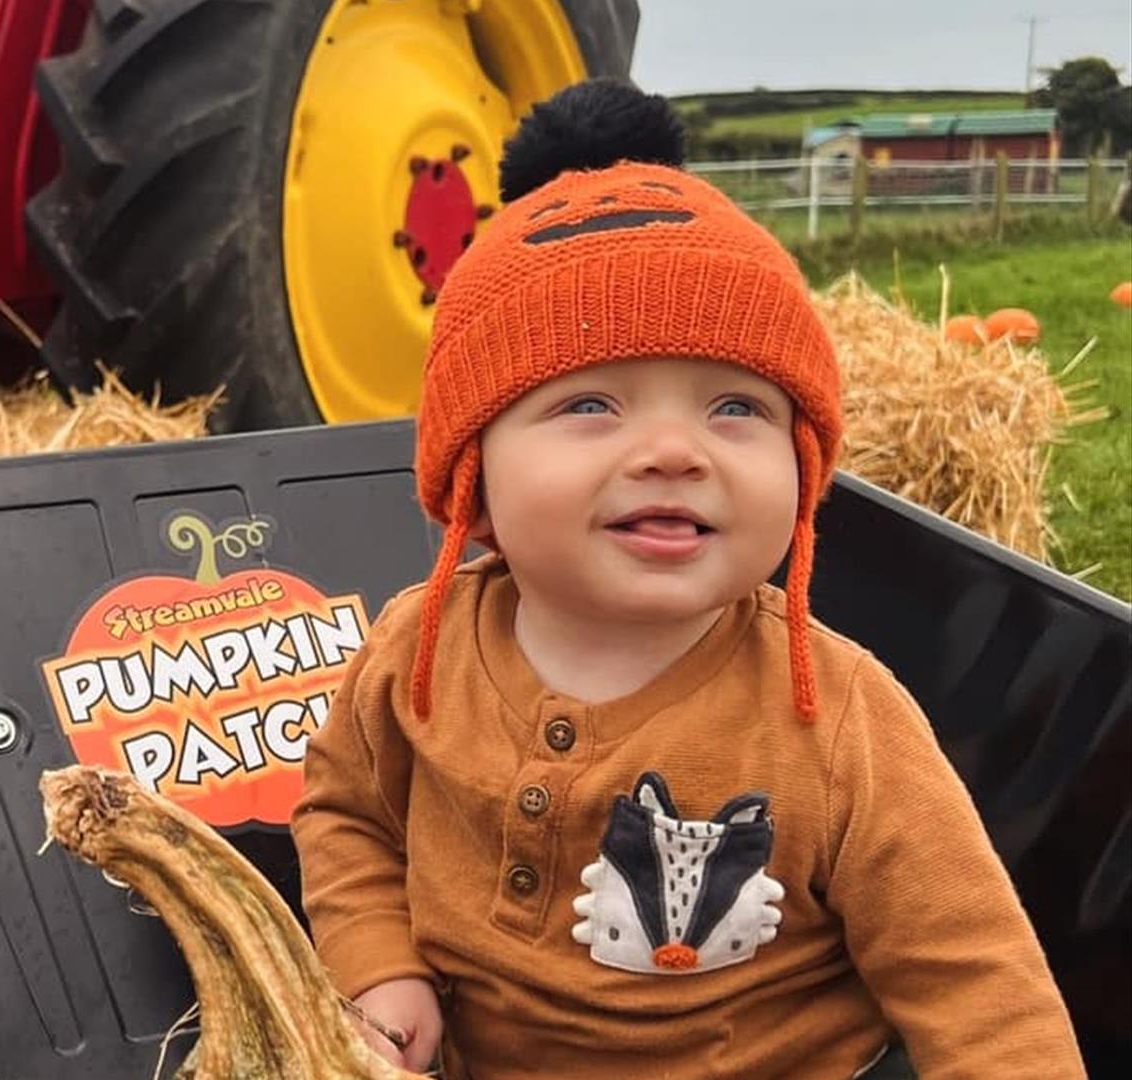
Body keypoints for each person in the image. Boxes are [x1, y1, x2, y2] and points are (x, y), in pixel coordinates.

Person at [291, 80, 1083, 1078]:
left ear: (803, 462)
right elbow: (347, 813)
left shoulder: (836, 722)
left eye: (735, 410)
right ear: (472, 471)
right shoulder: (421, 648)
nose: (673, 450)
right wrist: (378, 965)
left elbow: (973, 976)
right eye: (590, 405)